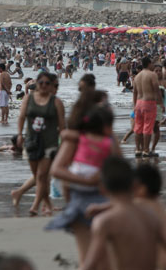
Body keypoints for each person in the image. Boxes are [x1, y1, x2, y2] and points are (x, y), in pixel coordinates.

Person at [47, 105, 120, 267]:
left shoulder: (78, 140)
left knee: (86, 254)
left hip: (79, 200)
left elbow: (58, 171)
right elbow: (118, 170)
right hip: (102, 199)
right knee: (106, 255)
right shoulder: (108, 143)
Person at [81, 156, 166, 270]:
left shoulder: (104, 221)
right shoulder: (152, 216)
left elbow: (90, 265)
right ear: (133, 184)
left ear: (102, 188)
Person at [15, 72, 65, 215]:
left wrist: (64, 145)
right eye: (41, 83)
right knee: (38, 176)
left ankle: (35, 206)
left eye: (47, 83)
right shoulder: (28, 99)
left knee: (42, 175)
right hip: (31, 141)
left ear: (51, 86)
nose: (44, 86)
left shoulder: (56, 102)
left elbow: (62, 126)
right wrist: (19, 134)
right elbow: (21, 117)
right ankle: (47, 204)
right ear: (37, 84)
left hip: (50, 143)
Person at [133, 57, 163, 157]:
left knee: (138, 127)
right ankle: (146, 150)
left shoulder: (137, 76)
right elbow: (156, 88)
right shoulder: (152, 74)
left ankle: (138, 149)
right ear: (149, 64)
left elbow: (135, 92)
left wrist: (134, 105)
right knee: (148, 127)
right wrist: (161, 103)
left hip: (138, 103)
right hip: (149, 102)